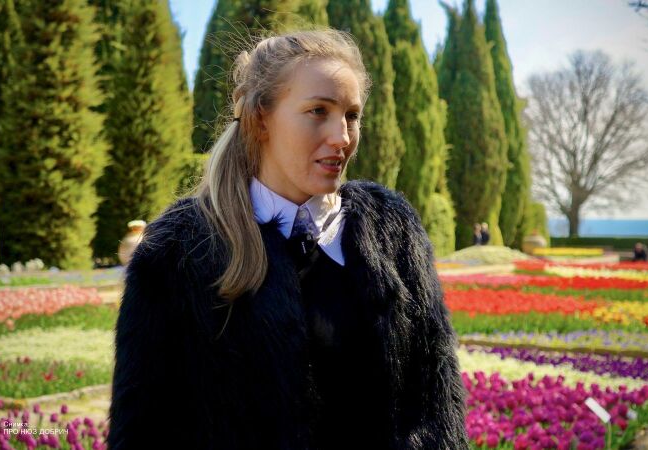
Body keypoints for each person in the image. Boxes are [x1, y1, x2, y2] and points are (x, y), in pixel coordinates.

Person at [107, 29, 468, 450]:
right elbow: (142, 428)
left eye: (351, 115)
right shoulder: (178, 250)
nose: (342, 137)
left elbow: (436, 404)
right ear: (261, 118)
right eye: (318, 111)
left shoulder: (393, 229)